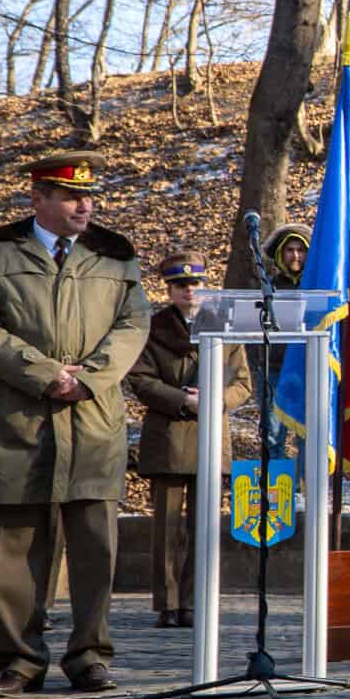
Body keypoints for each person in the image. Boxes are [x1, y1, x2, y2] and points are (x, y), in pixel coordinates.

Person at [0, 151, 150, 697]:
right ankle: (18, 662)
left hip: (91, 418)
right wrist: (43, 373)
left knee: (95, 547)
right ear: (38, 198)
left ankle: (90, 656)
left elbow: (134, 324)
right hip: (18, 419)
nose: (85, 205)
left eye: (89, 196)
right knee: (15, 550)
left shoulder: (114, 256)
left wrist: (89, 377)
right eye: (71, 196)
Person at [128, 252, 249, 629]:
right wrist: (183, 401)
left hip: (211, 435)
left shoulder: (224, 327)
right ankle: (167, 602)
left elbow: (243, 383)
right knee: (166, 528)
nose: (189, 291)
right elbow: (141, 379)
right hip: (169, 435)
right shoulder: (154, 328)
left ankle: (195, 600)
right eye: (180, 285)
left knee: (204, 526)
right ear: (169, 290)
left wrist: (215, 401)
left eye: (194, 283)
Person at [252, 224, 310, 459]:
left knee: (308, 436)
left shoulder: (317, 287)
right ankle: (280, 492)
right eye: (289, 250)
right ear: (279, 254)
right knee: (272, 436)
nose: (295, 255)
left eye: (300, 250)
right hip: (275, 370)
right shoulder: (269, 287)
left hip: (309, 371)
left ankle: (308, 490)